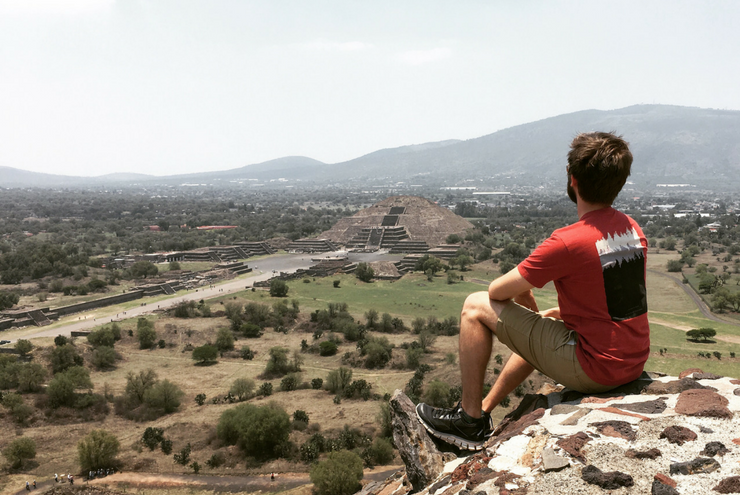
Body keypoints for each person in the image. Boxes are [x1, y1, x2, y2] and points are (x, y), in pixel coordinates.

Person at [417, 132, 649, 451]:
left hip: (596, 369)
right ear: (619, 182)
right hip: (631, 360)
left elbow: (496, 292)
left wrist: (527, 294)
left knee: (474, 306)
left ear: (572, 180)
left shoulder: (569, 240)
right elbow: (611, 301)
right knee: (546, 322)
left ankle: (469, 420)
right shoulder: (632, 229)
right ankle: (485, 409)